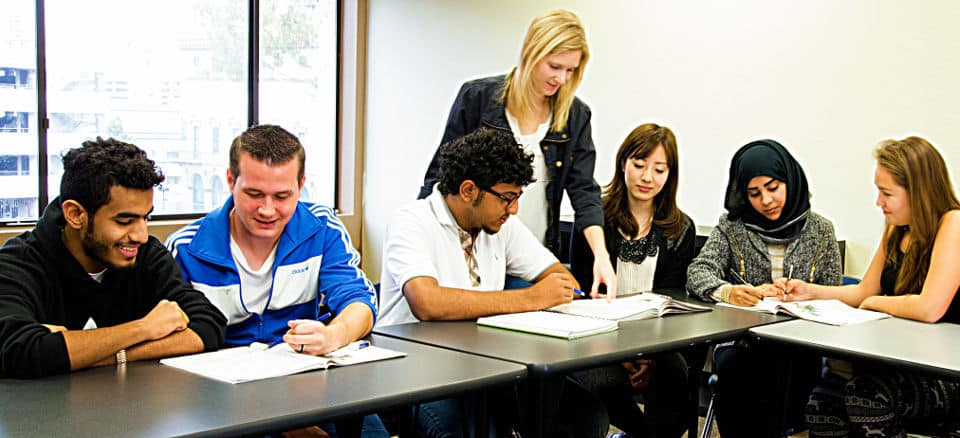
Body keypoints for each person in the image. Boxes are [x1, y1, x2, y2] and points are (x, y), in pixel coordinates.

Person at [380, 127, 607, 437]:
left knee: (583, 416)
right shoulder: (412, 221)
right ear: (469, 190)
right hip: (416, 370)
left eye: (517, 198)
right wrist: (530, 299)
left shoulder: (501, 226)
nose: (513, 210)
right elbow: (427, 302)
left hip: (485, 366)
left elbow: (560, 279)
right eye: (507, 198)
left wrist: (551, 291)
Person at [166, 125, 384, 438]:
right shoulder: (186, 248)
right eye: (254, 195)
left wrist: (335, 334)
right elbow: (172, 358)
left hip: (307, 384)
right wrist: (277, 418)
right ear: (230, 181)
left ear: (301, 185)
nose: (268, 210)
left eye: (283, 196)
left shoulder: (321, 227)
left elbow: (358, 299)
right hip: (221, 400)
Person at [417, 9, 618, 297]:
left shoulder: (575, 115)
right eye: (554, 66)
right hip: (474, 252)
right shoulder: (478, 99)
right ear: (531, 53)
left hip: (535, 254)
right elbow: (440, 177)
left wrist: (601, 256)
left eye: (571, 70)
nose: (561, 78)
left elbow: (584, 191)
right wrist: (426, 244)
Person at [0, 138, 227, 378]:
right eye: (124, 221)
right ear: (76, 214)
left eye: (145, 218)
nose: (140, 235)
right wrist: (145, 328)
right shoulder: (16, 264)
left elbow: (208, 327)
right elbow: (21, 352)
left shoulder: (147, 255)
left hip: (132, 408)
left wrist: (86, 351)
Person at [781, 137, 960, 437]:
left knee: (866, 397)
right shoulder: (896, 228)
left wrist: (876, 303)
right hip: (899, 362)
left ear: (919, 192)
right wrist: (812, 292)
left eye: (886, 193)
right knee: (821, 405)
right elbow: (865, 291)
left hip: (944, 374)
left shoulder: (953, 224)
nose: (879, 202)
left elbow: (929, 307)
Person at [686, 139, 842, 437]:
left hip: (801, 342)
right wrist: (728, 291)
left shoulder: (821, 229)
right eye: (754, 193)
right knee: (746, 368)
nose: (766, 201)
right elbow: (698, 271)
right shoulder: (733, 227)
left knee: (785, 365)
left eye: (773, 188)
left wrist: (804, 294)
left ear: (790, 181)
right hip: (742, 341)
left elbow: (832, 294)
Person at [570, 123, 694, 437]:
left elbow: (673, 300)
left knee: (676, 372)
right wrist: (620, 355)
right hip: (599, 340)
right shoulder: (593, 219)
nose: (647, 177)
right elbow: (583, 294)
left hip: (655, 343)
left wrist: (647, 355)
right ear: (623, 162)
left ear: (670, 174)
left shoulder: (680, 228)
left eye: (659, 169)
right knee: (599, 380)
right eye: (639, 165)